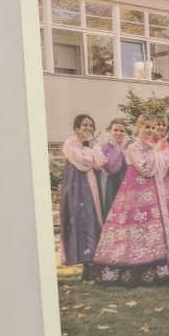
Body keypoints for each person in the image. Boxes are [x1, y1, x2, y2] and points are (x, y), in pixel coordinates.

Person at [93, 114, 169, 285]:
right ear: (138, 128)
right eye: (147, 127)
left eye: (152, 127)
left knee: (156, 227)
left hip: (156, 191)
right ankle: (136, 268)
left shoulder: (152, 147)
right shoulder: (133, 148)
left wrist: (156, 148)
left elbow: (163, 169)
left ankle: (161, 268)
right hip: (137, 192)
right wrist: (156, 149)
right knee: (138, 228)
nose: (150, 130)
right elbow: (146, 169)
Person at [59, 114, 106, 281]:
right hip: (77, 187)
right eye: (84, 125)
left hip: (92, 186)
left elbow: (100, 162)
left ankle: (91, 267)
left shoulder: (94, 144)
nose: (88, 128)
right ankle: (87, 264)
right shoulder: (70, 143)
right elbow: (85, 163)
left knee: (93, 220)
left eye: (91, 125)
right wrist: (87, 146)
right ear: (76, 128)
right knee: (81, 221)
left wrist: (89, 147)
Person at [99, 118, 128, 219]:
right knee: (109, 210)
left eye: (121, 131)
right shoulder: (104, 147)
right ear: (110, 131)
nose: (118, 133)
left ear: (125, 133)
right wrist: (117, 150)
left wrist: (123, 150)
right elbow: (110, 168)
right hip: (108, 184)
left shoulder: (128, 147)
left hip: (125, 184)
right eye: (115, 130)